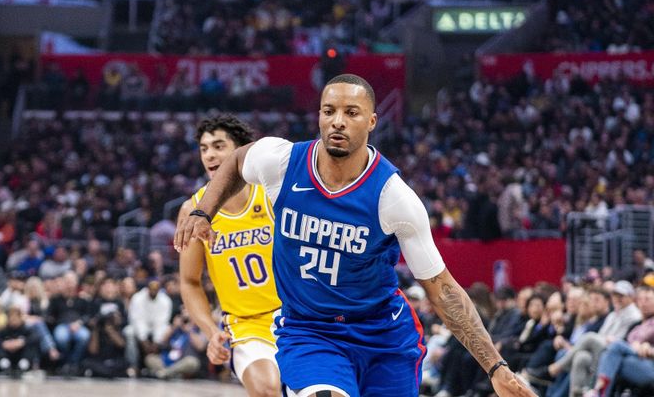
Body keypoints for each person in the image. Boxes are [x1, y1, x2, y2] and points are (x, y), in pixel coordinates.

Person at [176, 74, 535, 397]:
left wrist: (496, 368)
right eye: (329, 110)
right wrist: (202, 210)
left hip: (383, 338)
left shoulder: (394, 199)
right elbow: (237, 160)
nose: (337, 121)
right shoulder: (282, 163)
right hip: (310, 330)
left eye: (351, 112)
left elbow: (442, 289)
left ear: (373, 121)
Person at [179, 115, 281, 397]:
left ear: (240, 152)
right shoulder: (193, 210)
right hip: (245, 325)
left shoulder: (270, 195)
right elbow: (189, 281)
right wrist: (211, 332)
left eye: (218, 146)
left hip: (294, 316)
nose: (209, 154)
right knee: (267, 389)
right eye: (204, 148)